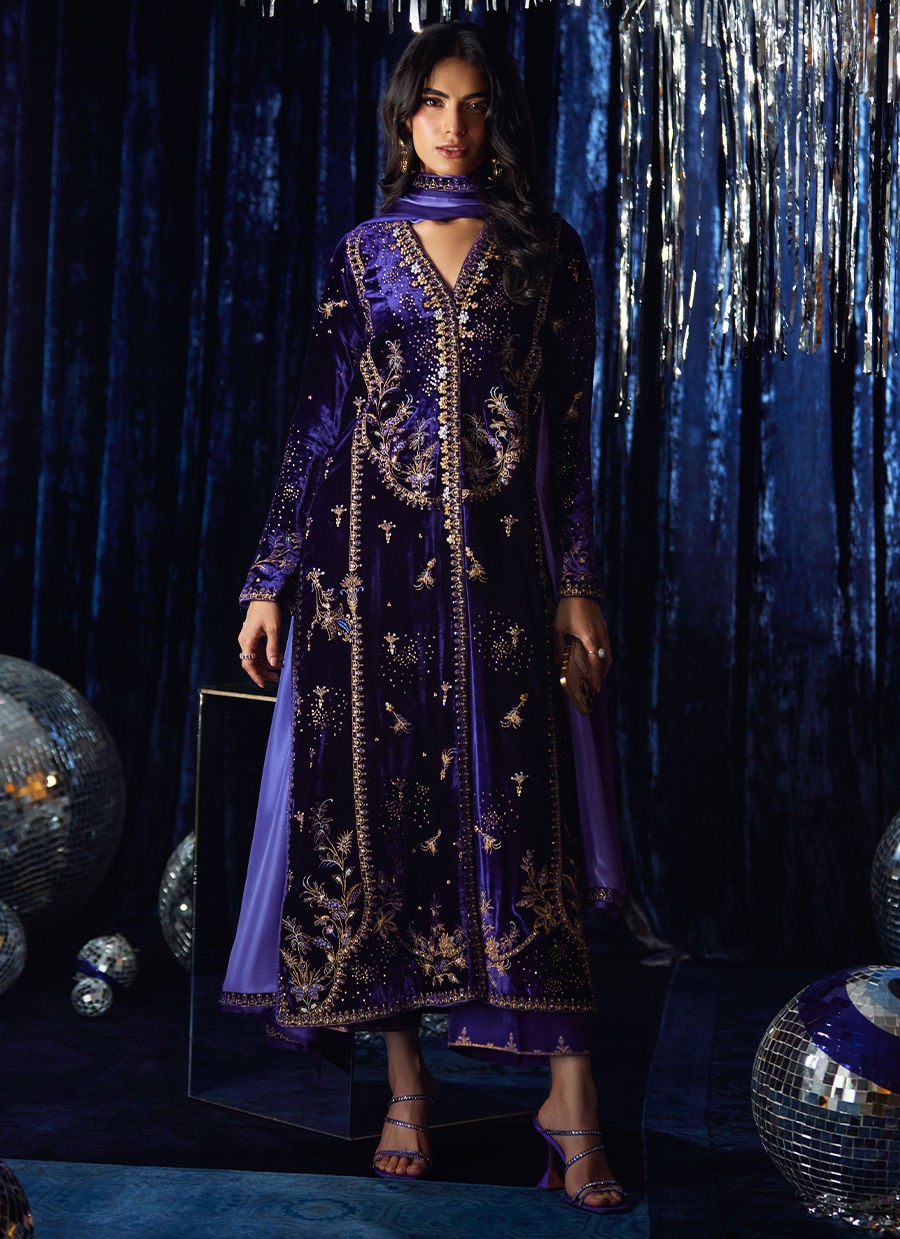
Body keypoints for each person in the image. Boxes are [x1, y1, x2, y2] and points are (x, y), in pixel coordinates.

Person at [222, 21, 627, 1216]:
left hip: (504, 584)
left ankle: (571, 1101)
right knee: (379, 821)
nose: (455, 124)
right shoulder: (360, 256)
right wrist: (267, 579)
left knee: (527, 830)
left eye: (475, 102)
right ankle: (407, 1087)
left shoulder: (547, 253)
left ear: (499, 118)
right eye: (434, 103)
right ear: (404, 120)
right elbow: (318, 425)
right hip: (363, 581)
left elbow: (567, 441)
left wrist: (578, 580)